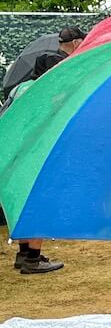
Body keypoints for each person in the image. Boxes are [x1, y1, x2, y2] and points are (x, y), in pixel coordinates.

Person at [9, 27, 86, 274]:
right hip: (37, 152)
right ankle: (33, 258)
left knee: (22, 199)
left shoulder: (19, 89)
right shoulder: (48, 94)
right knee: (39, 200)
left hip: (14, 152)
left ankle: (23, 255)